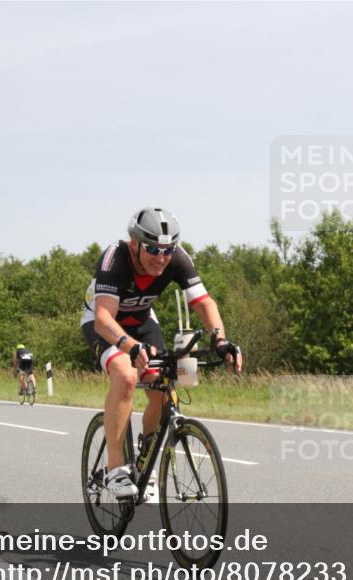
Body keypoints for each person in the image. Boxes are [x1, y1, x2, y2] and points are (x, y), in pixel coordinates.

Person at [81, 207, 242, 499]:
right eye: (153, 248)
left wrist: (220, 340)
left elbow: (204, 303)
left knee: (165, 385)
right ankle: (116, 468)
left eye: (167, 250)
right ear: (134, 244)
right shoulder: (114, 258)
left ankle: (146, 457)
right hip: (103, 324)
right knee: (126, 376)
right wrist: (130, 347)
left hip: (143, 322)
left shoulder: (178, 259)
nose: (161, 257)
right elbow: (104, 318)